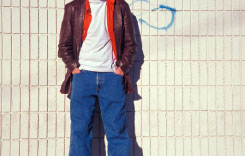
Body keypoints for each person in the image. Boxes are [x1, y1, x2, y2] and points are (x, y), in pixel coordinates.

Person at [57, 0, 138, 155]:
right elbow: (64, 45)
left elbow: (131, 45)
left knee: (117, 132)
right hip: (83, 77)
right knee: (80, 133)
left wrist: (121, 69)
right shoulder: (73, 8)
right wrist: (74, 68)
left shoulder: (119, 6)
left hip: (111, 78)